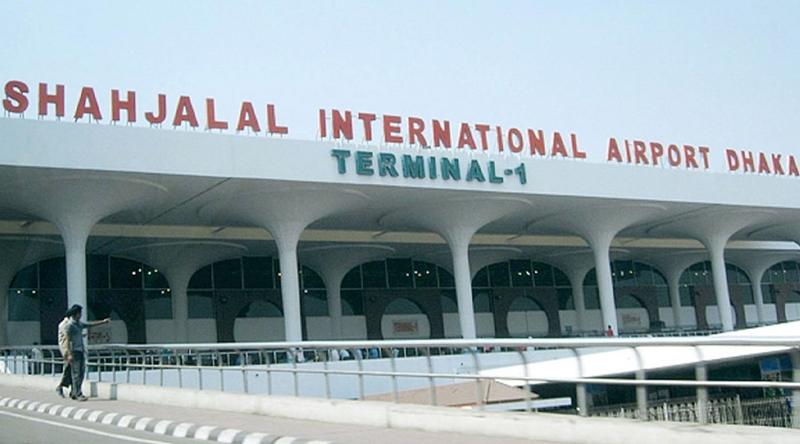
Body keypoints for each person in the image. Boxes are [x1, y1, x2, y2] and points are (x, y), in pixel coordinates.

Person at [57, 304, 110, 401]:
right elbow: (67, 340)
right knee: (76, 374)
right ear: (76, 314)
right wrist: (69, 354)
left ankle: (74, 392)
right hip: (74, 351)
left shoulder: (78, 324)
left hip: (80, 350)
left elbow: (89, 325)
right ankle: (78, 393)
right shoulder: (70, 325)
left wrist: (103, 322)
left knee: (80, 373)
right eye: (79, 313)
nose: (81, 315)